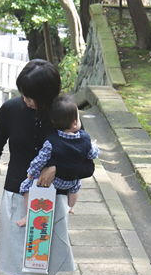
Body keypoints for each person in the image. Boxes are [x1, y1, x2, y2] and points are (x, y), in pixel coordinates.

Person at [0, 59, 94, 275]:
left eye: (32, 96)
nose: (27, 100)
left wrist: (58, 168)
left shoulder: (65, 112)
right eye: (24, 94)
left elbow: (88, 165)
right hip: (17, 196)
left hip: (52, 200)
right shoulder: (10, 109)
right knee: (18, 273)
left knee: (46, 269)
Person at [16, 95, 99, 226]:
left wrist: (31, 173)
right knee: (76, 186)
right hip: (71, 181)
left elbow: (41, 159)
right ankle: (70, 207)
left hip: (54, 181)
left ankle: (28, 215)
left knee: (26, 186)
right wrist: (94, 145)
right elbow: (92, 154)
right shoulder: (84, 139)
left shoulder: (52, 141)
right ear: (74, 123)